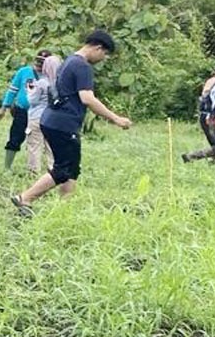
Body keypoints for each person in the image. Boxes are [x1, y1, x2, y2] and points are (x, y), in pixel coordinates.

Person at [12, 30, 131, 214]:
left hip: (52, 119)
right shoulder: (82, 66)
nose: (103, 58)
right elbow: (87, 98)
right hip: (63, 124)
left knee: (72, 168)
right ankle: (25, 198)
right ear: (98, 48)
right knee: (63, 169)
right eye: (104, 54)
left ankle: (65, 209)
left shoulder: (69, 61)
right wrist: (116, 118)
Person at [0, 51, 49, 171]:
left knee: (43, 141)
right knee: (15, 137)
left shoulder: (51, 75)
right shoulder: (24, 72)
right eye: (38, 61)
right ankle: (7, 167)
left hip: (42, 114)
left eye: (43, 62)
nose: (39, 64)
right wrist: (4, 107)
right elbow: (13, 90)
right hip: (22, 111)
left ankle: (42, 168)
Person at [182, 61, 215, 163]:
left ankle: (214, 163)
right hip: (212, 118)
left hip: (204, 116)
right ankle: (191, 156)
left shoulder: (210, 81)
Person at [25, 54, 59, 173]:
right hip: (53, 118)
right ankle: (53, 170)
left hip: (37, 116)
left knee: (34, 145)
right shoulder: (60, 83)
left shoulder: (41, 83)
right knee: (51, 146)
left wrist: (29, 91)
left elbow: (32, 100)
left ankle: (33, 171)